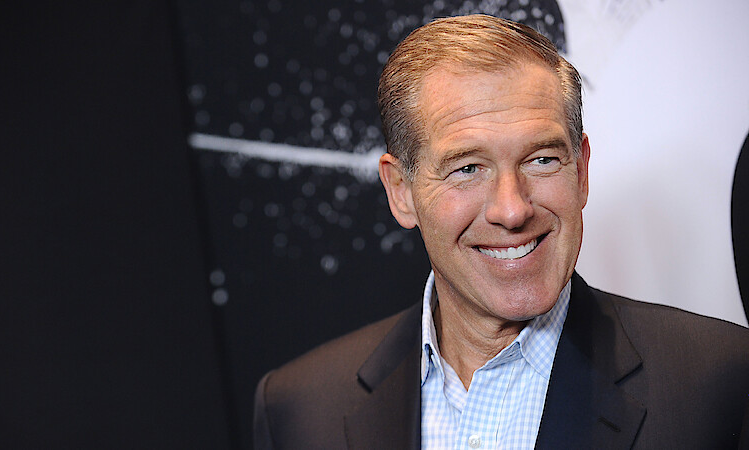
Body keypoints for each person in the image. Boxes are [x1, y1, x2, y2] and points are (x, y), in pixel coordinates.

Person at [253, 14, 749, 449]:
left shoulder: (721, 383)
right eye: (467, 168)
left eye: (542, 159)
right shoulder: (299, 409)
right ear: (400, 190)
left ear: (581, 174)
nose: (512, 210)